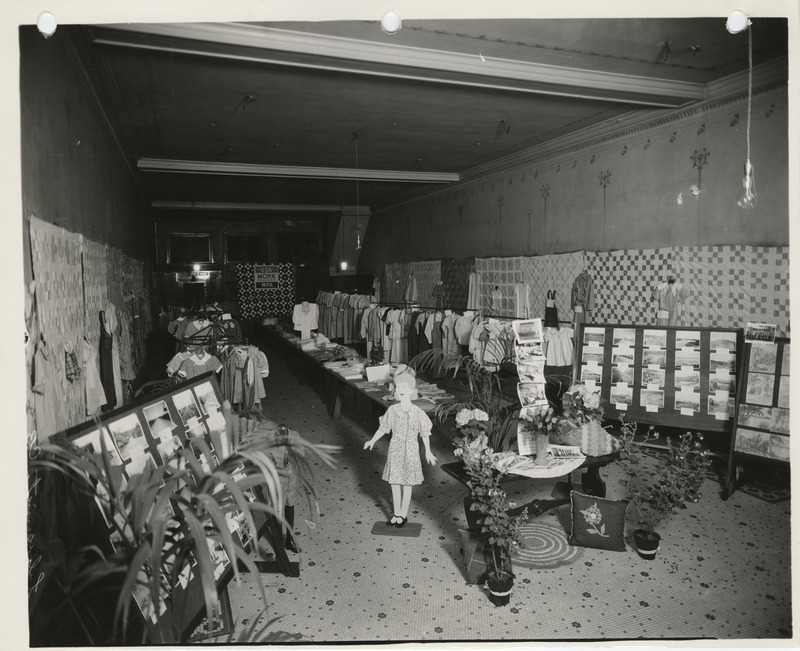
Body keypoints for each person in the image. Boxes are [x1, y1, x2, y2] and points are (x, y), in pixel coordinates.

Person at [363, 372, 437, 527]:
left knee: (407, 484)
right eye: (398, 387)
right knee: (395, 482)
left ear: (411, 390)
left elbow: (424, 433)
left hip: (411, 450)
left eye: (404, 387)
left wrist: (428, 451)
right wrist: (372, 440)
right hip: (395, 449)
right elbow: (383, 428)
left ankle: (403, 514)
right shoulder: (392, 410)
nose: (401, 390)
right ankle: (396, 514)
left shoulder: (417, 412)